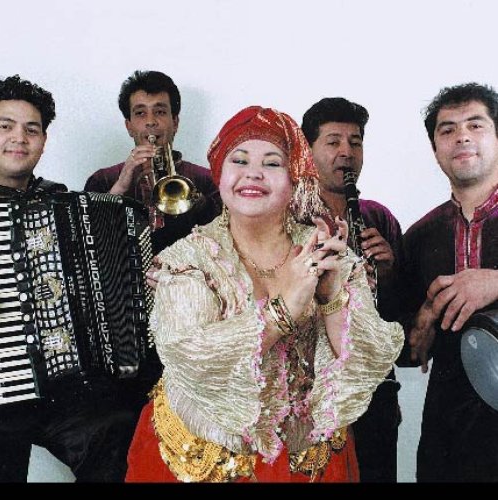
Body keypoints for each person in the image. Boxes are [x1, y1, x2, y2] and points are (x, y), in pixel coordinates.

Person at [125, 105, 404, 483]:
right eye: (239, 160)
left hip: (306, 456)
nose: (253, 173)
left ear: (294, 179)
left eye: (272, 163)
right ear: (220, 175)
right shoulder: (187, 260)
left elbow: (364, 361)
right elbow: (193, 357)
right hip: (206, 454)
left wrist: (331, 295)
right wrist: (284, 308)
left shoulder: (325, 250)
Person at [0, 75, 137, 482]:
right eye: (5, 126)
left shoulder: (59, 202)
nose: (19, 138)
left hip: (61, 387)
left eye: (32, 129)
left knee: (116, 427)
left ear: (43, 141)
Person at [399, 83, 498, 482]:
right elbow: (407, 350)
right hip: (451, 434)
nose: (462, 136)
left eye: (476, 125)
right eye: (448, 129)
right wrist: (422, 315)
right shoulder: (420, 236)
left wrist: (495, 282)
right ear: (435, 149)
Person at [301, 97, 403, 482]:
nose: (346, 152)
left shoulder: (378, 217)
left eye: (355, 142)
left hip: (374, 389)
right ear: (308, 151)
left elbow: (397, 314)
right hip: (312, 391)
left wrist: (387, 273)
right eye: (333, 142)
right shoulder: (292, 216)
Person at [84, 69, 221, 253]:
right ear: (129, 126)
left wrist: (198, 200)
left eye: (160, 112)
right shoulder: (102, 180)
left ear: (175, 123)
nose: (150, 121)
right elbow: (89, 240)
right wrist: (119, 188)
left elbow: (225, 239)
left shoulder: (207, 179)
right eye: (140, 113)